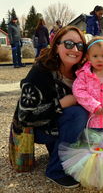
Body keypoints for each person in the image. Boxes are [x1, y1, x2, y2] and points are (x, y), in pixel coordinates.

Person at [9, 25, 89, 188]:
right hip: (38, 129)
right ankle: (55, 170)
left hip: (60, 123)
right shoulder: (41, 72)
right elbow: (26, 117)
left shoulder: (81, 73)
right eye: (68, 44)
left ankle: (59, 152)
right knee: (77, 113)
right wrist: (61, 104)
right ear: (56, 45)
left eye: (80, 46)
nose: (75, 49)